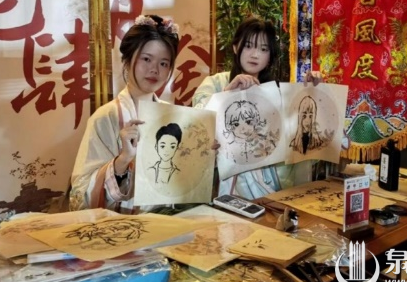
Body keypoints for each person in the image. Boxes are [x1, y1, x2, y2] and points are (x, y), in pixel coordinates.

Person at [192, 16, 322, 200]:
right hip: (223, 183)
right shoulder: (215, 83)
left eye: (263, 49)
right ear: (235, 47)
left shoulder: (277, 94)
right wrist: (228, 93)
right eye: (248, 46)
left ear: (270, 57)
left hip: (269, 184)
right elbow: (197, 126)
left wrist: (312, 93)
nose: (255, 54)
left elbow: (301, 140)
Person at [70, 14, 179, 212]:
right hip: (121, 225)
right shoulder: (106, 117)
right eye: (146, 59)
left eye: (164, 63)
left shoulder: (172, 115)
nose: (154, 69)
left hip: (166, 223)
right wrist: (122, 161)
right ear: (127, 61)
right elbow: (80, 195)